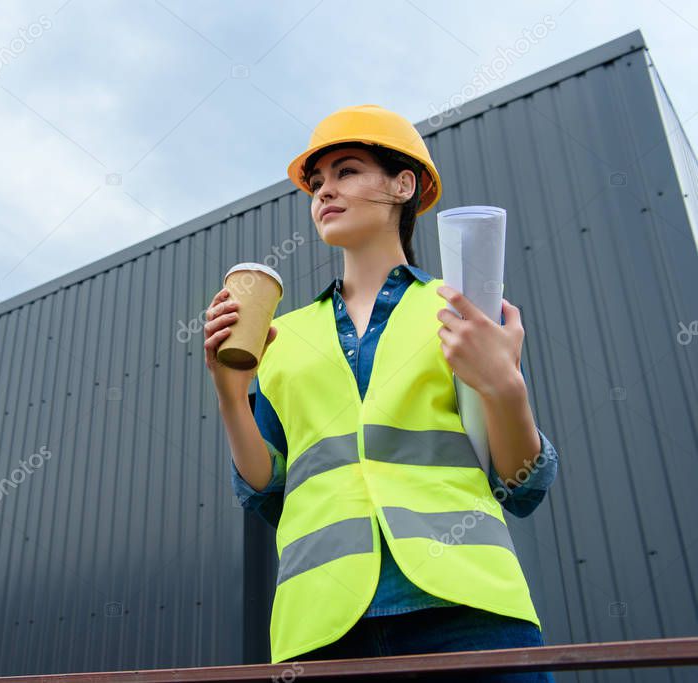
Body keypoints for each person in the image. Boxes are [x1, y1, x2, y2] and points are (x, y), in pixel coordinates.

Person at [204, 105, 558, 682]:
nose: (325, 192)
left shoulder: (460, 308)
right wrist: (229, 393)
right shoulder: (282, 335)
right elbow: (268, 490)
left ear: (404, 185)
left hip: (468, 613)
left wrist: (504, 385)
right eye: (316, 184)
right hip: (319, 629)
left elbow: (520, 485)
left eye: (346, 172)